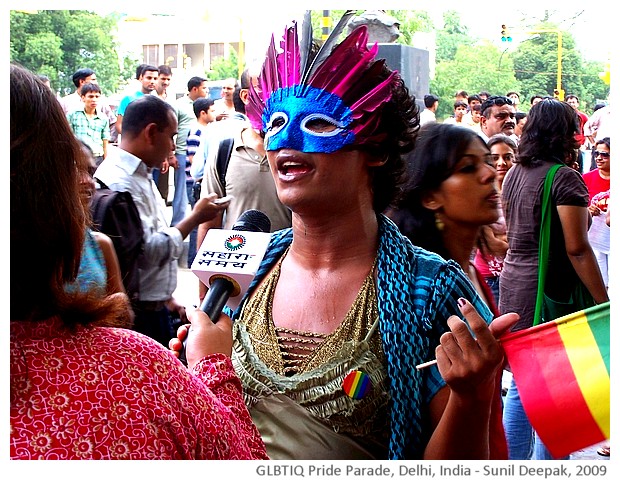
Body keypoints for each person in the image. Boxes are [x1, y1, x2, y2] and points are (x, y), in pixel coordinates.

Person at [173, 19, 518, 460]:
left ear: (375, 149)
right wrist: (197, 373)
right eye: (276, 123)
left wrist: (472, 396)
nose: (286, 143)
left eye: (317, 123)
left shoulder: (431, 292)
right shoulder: (248, 270)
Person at [10, 63, 268, 460]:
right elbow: (241, 458)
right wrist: (215, 366)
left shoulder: (146, 177)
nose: (87, 185)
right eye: (74, 170)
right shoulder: (134, 371)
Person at [499, 98, 608, 460]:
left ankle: (513, 464)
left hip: (514, 286)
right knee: (558, 391)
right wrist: (602, 300)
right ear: (564, 134)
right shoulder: (563, 177)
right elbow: (577, 248)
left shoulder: (515, 172)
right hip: (550, 290)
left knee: (522, 384)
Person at [94, 94, 231, 347]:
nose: (172, 147)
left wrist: (166, 300)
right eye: (171, 137)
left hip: (155, 308)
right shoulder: (120, 181)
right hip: (139, 315)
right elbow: (147, 251)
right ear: (151, 133)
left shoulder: (141, 173)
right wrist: (195, 217)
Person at [195, 68, 291, 304]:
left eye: (281, 87)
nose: (276, 95)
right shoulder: (224, 151)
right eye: (266, 88)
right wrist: (203, 300)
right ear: (247, 96)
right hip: (234, 291)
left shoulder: (300, 153)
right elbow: (210, 224)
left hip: (289, 285)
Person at [472, 134, 516, 305]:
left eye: (507, 157)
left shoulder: (523, 193)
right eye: (494, 158)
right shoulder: (480, 196)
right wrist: (510, 239)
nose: (501, 163)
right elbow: (492, 245)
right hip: (489, 277)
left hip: (518, 276)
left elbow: (530, 239)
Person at [171, 76, 209, 227]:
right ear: (195, 89)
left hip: (198, 151)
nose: (206, 91)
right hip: (182, 152)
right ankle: (177, 227)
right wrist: (170, 154)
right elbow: (171, 128)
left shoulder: (205, 106)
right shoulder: (179, 105)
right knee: (181, 192)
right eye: (204, 88)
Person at [185, 97, 217, 267]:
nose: (215, 114)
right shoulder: (197, 131)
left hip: (200, 181)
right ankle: (193, 259)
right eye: (212, 110)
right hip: (196, 182)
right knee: (197, 221)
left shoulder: (208, 130)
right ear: (202, 113)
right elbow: (193, 161)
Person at [59, 67, 118, 143]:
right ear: (82, 82)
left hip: (98, 151)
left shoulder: (101, 102)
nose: (96, 83)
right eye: (93, 80)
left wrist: (108, 142)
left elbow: (113, 123)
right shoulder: (65, 102)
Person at [584, 137, 610, 289]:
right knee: (601, 283)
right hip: (594, 239)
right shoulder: (586, 178)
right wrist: (587, 211)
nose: (599, 158)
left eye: (605, 154)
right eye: (596, 154)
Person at [66, 82, 110, 166]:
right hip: (79, 156)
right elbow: (68, 138)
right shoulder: (73, 114)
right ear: (83, 98)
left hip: (98, 157)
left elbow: (105, 142)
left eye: (97, 96)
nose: (94, 99)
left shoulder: (103, 118)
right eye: (90, 96)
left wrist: (106, 162)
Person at [115, 64, 158, 135]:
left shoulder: (158, 102)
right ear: (141, 78)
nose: (152, 81)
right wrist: (130, 139)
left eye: (155, 78)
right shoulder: (128, 99)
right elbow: (119, 125)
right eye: (149, 78)